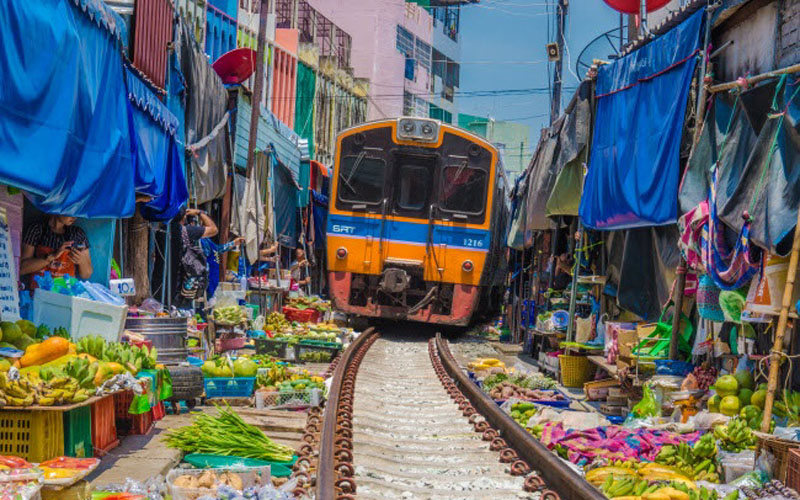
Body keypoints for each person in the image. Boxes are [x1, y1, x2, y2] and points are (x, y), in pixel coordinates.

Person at [21, 215, 93, 289]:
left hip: (66, 294)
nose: (74, 217)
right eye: (69, 212)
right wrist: (52, 256)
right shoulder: (37, 230)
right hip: (39, 294)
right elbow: (22, 269)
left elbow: (86, 274)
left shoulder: (77, 234)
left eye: (75, 213)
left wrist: (81, 261)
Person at [172, 207, 218, 305]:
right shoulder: (186, 231)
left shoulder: (160, 230)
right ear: (184, 217)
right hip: (182, 286)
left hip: (161, 284)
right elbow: (213, 229)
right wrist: (199, 212)